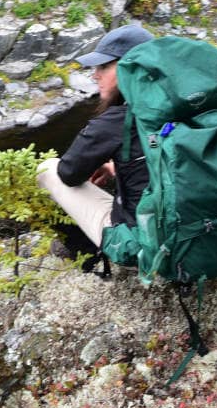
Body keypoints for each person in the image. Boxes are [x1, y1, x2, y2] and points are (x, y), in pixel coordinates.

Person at [36, 24, 154, 249]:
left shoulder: (116, 122)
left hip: (152, 250)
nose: (95, 74)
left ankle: (89, 259)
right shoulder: (193, 109)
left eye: (104, 66)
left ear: (129, 68)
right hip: (213, 238)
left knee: (48, 170)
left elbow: (69, 173)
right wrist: (116, 167)